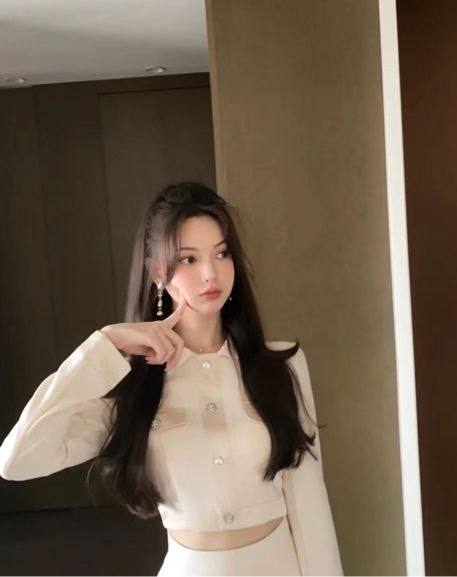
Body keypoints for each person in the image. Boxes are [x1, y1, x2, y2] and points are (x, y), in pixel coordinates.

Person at [0, 182, 343, 576]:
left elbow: (310, 505)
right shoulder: (131, 387)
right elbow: (16, 460)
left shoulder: (282, 366)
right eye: (188, 259)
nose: (210, 273)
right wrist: (103, 346)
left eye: (222, 253)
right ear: (157, 272)